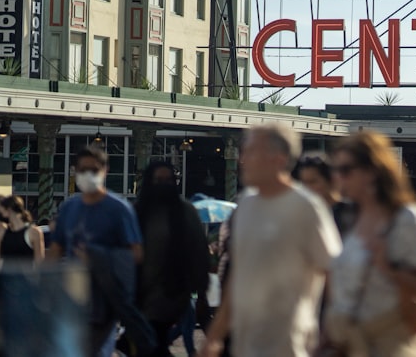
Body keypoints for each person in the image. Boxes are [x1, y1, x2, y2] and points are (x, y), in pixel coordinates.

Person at [200, 124, 341, 357]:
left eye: (251, 151)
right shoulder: (245, 204)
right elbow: (238, 277)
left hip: (290, 346)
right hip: (244, 345)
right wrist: (214, 337)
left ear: (278, 158)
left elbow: (334, 273)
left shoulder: (306, 207)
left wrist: (333, 339)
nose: (242, 158)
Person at [323, 130, 416, 357]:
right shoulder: (347, 219)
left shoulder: (405, 218)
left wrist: (390, 270)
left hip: (392, 344)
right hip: (351, 343)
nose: (338, 178)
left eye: (345, 170)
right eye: (335, 170)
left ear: (371, 172)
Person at [48, 145, 155, 357]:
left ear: (105, 171)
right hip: (73, 296)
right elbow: (56, 249)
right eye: (82, 170)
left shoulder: (119, 210)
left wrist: (98, 257)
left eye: (93, 170)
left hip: (104, 299)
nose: (88, 175)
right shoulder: (69, 208)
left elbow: (136, 253)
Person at [133, 160, 209, 357]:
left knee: (153, 342)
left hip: (172, 293)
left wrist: (201, 293)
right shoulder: (137, 212)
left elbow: (199, 252)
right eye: (158, 180)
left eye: (168, 180)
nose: (163, 184)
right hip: (139, 293)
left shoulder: (185, 213)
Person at [295, 153, 357, 237]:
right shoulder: (301, 215)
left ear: (330, 180)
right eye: (304, 183)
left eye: (313, 182)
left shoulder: (350, 212)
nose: (307, 188)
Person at [0, 195, 46, 266]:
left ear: (9, 210)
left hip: (25, 276)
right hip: (6, 276)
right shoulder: (2, 232)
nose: (0, 214)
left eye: (1, 211)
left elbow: (39, 262)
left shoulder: (33, 232)